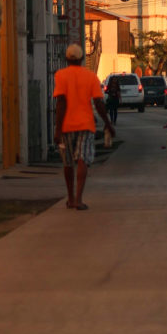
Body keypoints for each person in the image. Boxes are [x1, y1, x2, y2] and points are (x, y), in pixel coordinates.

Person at [53, 43, 114, 210]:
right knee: (82, 160)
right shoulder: (90, 76)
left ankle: (71, 198)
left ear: (66, 59)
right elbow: (99, 103)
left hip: (66, 126)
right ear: (81, 59)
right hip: (86, 125)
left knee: (67, 163)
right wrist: (108, 124)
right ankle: (79, 199)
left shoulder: (60, 76)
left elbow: (61, 103)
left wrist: (57, 130)